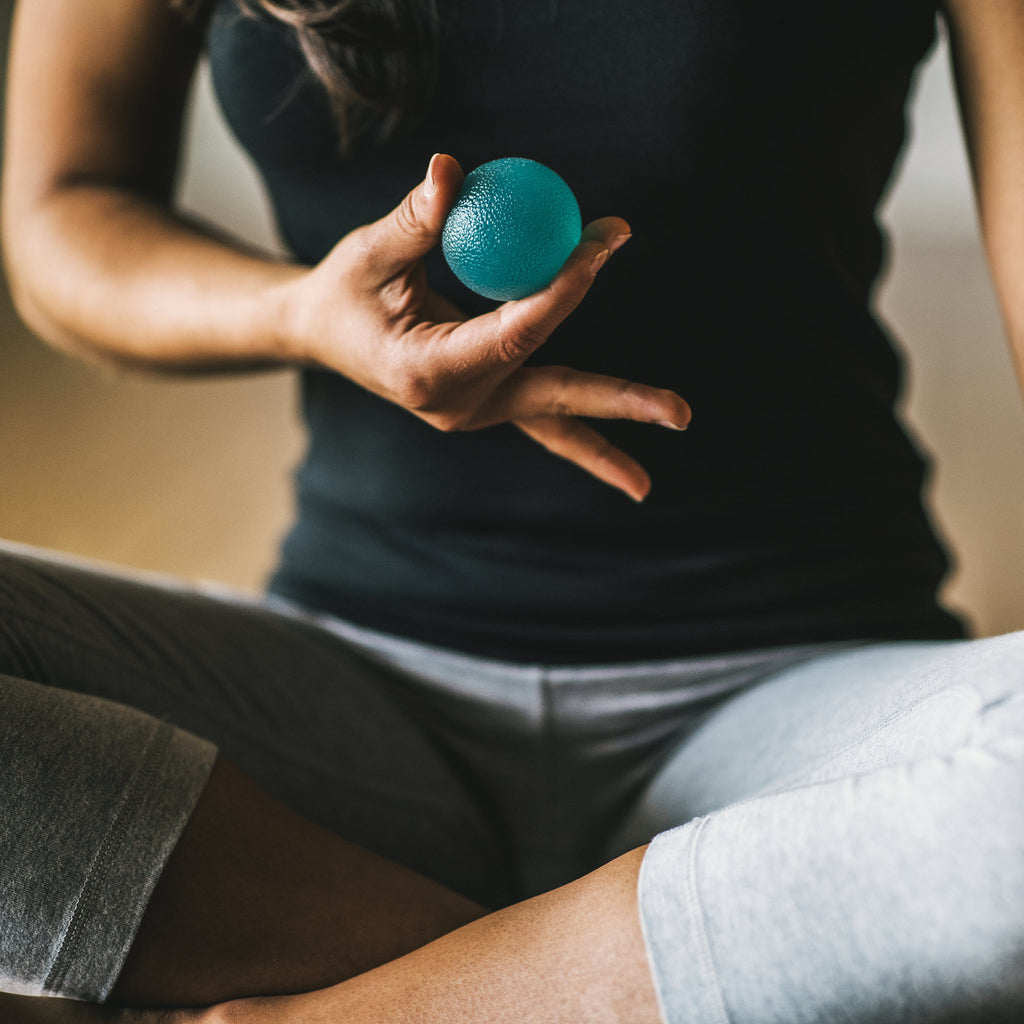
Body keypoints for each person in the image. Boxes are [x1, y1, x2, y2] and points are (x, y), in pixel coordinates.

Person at [0, 0, 1022, 1021]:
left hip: (801, 713)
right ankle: (653, 962)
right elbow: (65, 206)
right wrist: (298, 314)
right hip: (356, 714)